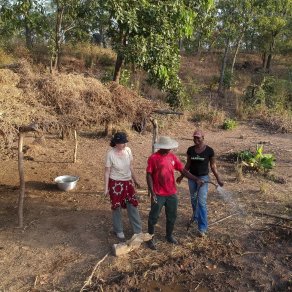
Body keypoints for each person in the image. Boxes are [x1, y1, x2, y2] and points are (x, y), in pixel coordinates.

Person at [146, 136, 203, 250]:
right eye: (167, 148)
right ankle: (150, 239)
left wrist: (195, 179)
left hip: (171, 193)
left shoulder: (172, 156)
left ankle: (169, 236)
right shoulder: (153, 158)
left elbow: (183, 170)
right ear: (161, 147)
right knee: (153, 217)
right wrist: (152, 192)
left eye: (170, 147)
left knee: (172, 216)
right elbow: (148, 175)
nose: (169, 149)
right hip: (158, 193)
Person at [177, 129, 224, 237]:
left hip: (203, 179)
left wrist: (218, 179)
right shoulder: (190, 150)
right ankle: (196, 217)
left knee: (201, 202)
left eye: (198, 137)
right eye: (194, 137)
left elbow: (213, 166)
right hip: (192, 178)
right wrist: (182, 176)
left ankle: (202, 227)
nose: (196, 139)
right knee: (194, 199)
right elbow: (188, 164)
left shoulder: (209, 151)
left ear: (203, 138)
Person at [104, 132, 142, 240]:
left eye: (125, 142)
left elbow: (131, 166)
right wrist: (106, 188)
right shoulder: (110, 154)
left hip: (128, 182)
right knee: (116, 207)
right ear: (116, 143)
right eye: (122, 143)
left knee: (132, 205)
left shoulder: (128, 150)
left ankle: (137, 230)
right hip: (115, 183)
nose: (124, 145)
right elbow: (107, 172)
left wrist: (135, 180)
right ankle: (118, 230)